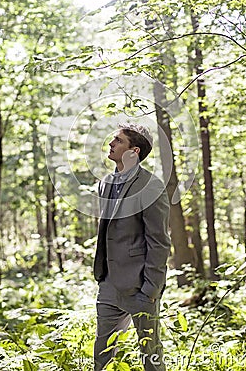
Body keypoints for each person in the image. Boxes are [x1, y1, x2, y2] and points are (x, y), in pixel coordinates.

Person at [93, 123, 171, 371]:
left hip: (140, 286)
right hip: (108, 285)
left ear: (133, 151)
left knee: (151, 356)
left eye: (117, 141)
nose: (111, 144)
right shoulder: (105, 183)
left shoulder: (151, 186)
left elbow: (159, 241)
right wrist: (102, 277)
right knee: (102, 356)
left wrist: (150, 289)